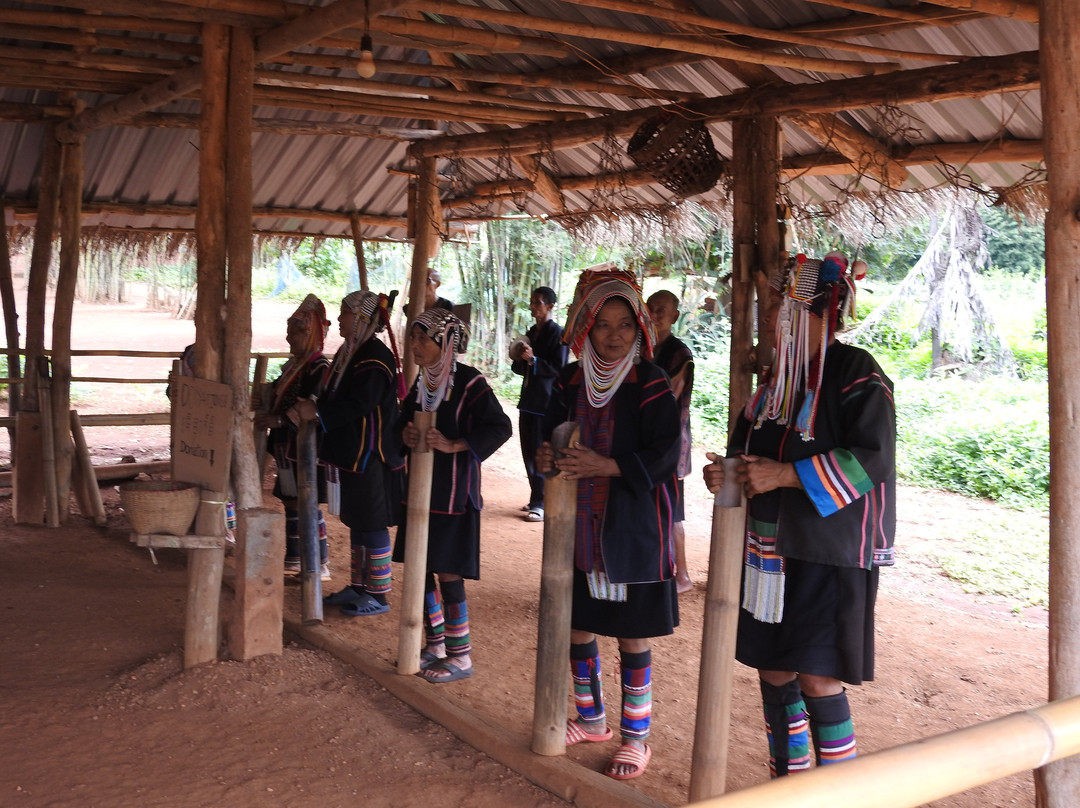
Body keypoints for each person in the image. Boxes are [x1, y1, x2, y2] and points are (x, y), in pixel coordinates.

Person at [701, 252, 895, 778]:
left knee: (817, 675)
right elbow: (746, 455)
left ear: (823, 315)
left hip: (827, 553)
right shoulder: (774, 384)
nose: (774, 320)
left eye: (787, 310)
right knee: (773, 666)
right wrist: (726, 473)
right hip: (769, 553)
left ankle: (833, 792)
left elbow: (873, 458)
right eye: (774, 309)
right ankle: (788, 780)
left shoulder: (856, 371)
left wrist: (785, 476)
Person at [536, 267, 680, 781]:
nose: (614, 335)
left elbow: (668, 452)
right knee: (577, 623)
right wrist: (547, 455)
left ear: (639, 328)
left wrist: (609, 466)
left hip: (632, 527)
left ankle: (636, 738)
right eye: (603, 324)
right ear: (586, 327)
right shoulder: (571, 380)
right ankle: (592, 719)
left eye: (624, 324)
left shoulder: (650, 381)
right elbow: (551, 434)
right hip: (577, 526)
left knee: (632, 635)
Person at [394, 308, 512, 682]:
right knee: (420, 566)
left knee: (447, 571)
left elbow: (500, 427)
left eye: (422, 338)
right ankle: (436, 644)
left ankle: (460, 655)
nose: (414, 344)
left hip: (453, 495)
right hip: (419, 494)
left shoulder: (470, 382)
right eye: (413, 337)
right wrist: (405, 435)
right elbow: (401, 425)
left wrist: (455, 444)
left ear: (445, 343)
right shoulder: (422, 382)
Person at [291, 290, 406, 616]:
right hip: (354, 452)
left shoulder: (374, 357)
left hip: (373, 454)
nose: (339, 319)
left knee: (372, 522)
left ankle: (378, 595)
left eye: (344, 313)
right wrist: (315, 405)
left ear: (362, 318)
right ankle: (359, 586)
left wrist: (318, 413)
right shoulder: (352, 351)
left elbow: (361, 403)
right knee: (357, 519)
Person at [253, 296, 333, 579]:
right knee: (290, 498)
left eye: (294, 332)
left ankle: (319, 561)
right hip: (287, 447)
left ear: (309, 333)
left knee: (306, 499)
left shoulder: (319, 368)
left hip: (306, 449)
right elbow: (278, 394)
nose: (289, 337)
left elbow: (313, 405)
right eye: (288, 331)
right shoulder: (295, 366)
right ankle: (297, 557)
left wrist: (279, 419)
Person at [647, 289, 695, 593]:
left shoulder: (680, 354)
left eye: (661, 309)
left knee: (671, 508)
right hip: (649, 439)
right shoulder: (643, 345)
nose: (654, 314)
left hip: (671, 443)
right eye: (650, 308)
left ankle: (682, 575)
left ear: (675, 316)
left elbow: (667, 396)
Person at [510, 286, 568, 522]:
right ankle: (536, 496)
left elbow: (559, 368)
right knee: (528, 453)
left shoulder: (559, 334)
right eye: (532, 301)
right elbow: (520, 367)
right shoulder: (532, 332)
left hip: (546, 403)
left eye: (538, 302)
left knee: (541, 452)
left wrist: (534, 360)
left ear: (550, 306)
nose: (533, 306)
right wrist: (519, 357)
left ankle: (541, 503)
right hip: (528, 401)